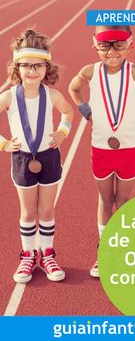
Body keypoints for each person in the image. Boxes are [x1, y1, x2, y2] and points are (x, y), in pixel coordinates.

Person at [69, 25, 135, 277]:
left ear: (130, 45)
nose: (112, 51)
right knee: (105, 200)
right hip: (100, 148)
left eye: (119, 45)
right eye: (105, 46)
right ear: (95, 46)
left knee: (122, 202)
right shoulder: (90, 71)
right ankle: (105, 251)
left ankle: (119, 247)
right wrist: (84, 109)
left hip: (128, 148)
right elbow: (73, 88)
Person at [0, 29, 73, 283]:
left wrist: (63, 133)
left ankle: (48, 254)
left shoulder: (52, 95)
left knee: (47, 210)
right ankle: (28, 255)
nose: (32, 71)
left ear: (47, 68)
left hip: (49, 157)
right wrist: (3, 143)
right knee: (28, 212)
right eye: (26, 65)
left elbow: (67, 113)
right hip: (22, 159)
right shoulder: (9, 96)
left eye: (38, 66)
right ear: (17, 67)